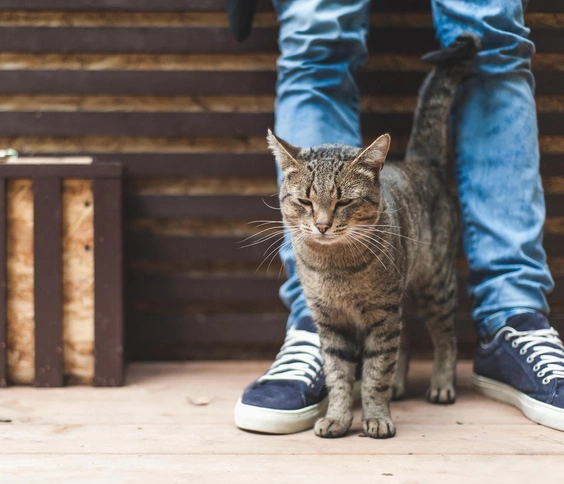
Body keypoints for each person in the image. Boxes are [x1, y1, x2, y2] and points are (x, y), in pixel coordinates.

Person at [232, 0, 564, 434]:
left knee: (493, 34)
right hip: (336, 251)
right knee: (315, 32)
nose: (323, 222)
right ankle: (310, 331)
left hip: (409, 219)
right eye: (309, 206)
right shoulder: (304, 202)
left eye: (339, 207)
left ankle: (512, 317)